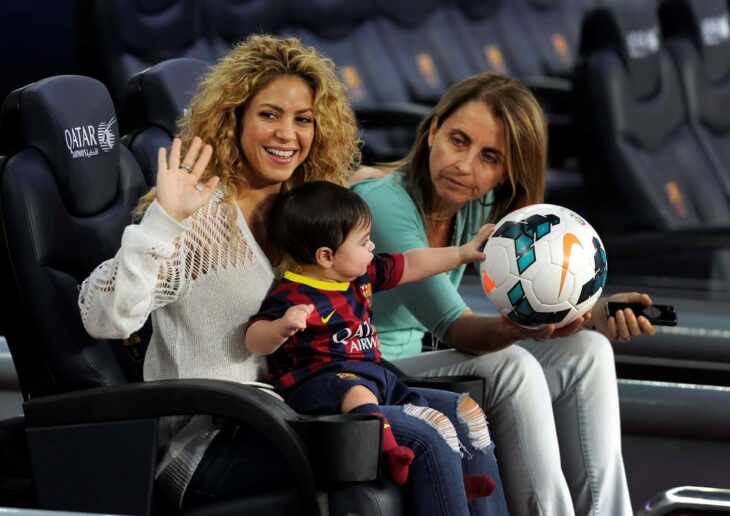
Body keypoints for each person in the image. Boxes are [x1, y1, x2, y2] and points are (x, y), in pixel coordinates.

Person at [78, 35, 506, 515]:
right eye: (269, 115)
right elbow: (105, 317)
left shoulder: (308, 215)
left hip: (301, 413)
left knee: (465, 415)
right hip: (215, 445)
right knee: (423, 435)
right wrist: (163, 221)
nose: (287, 134)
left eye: (302, 119)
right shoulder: (195, 218)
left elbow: (385, 269)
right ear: (234, 116)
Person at [353, 72, 657, 516]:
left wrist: (591, 313)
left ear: (506, 171)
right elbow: (456, 327)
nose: (465, 165)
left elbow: (522, 306)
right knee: (511, 365)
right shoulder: (383, 205)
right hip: (364, 373)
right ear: (434, 130)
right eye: (458, 140)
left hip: (411, 366)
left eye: (488, 157)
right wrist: (521, 331)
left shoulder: (474, 203)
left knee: (587, 351)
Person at [245, 180, 496, 502]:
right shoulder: (291, 295)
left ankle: (455, 481)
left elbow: (413, 263)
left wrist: (462, 253)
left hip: (373, 373)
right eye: (363, 242)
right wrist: (281, 327)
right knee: (355, 390)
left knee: (422, 406)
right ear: (325, 256)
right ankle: (389, 452)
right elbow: (253, 339)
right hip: (318, 384)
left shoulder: (360, 275)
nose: (372, 247)